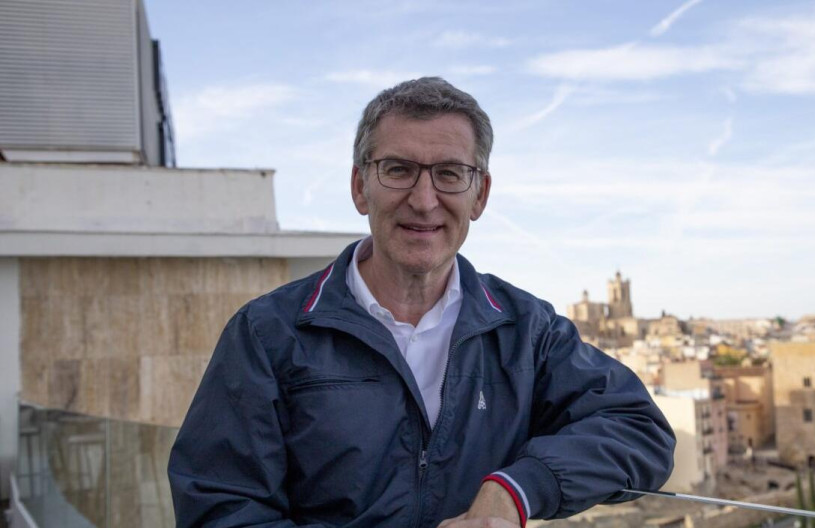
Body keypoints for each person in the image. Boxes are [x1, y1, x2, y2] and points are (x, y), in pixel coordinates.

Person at [168, 77, 675, 528]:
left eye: (450, 174)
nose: (424, 199)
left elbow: (641, 430)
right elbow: (221, 506)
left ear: (480, 195)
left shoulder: (526, 330)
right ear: (359, 187)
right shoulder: (267, 334)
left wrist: (514, 491)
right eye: (398, 169)